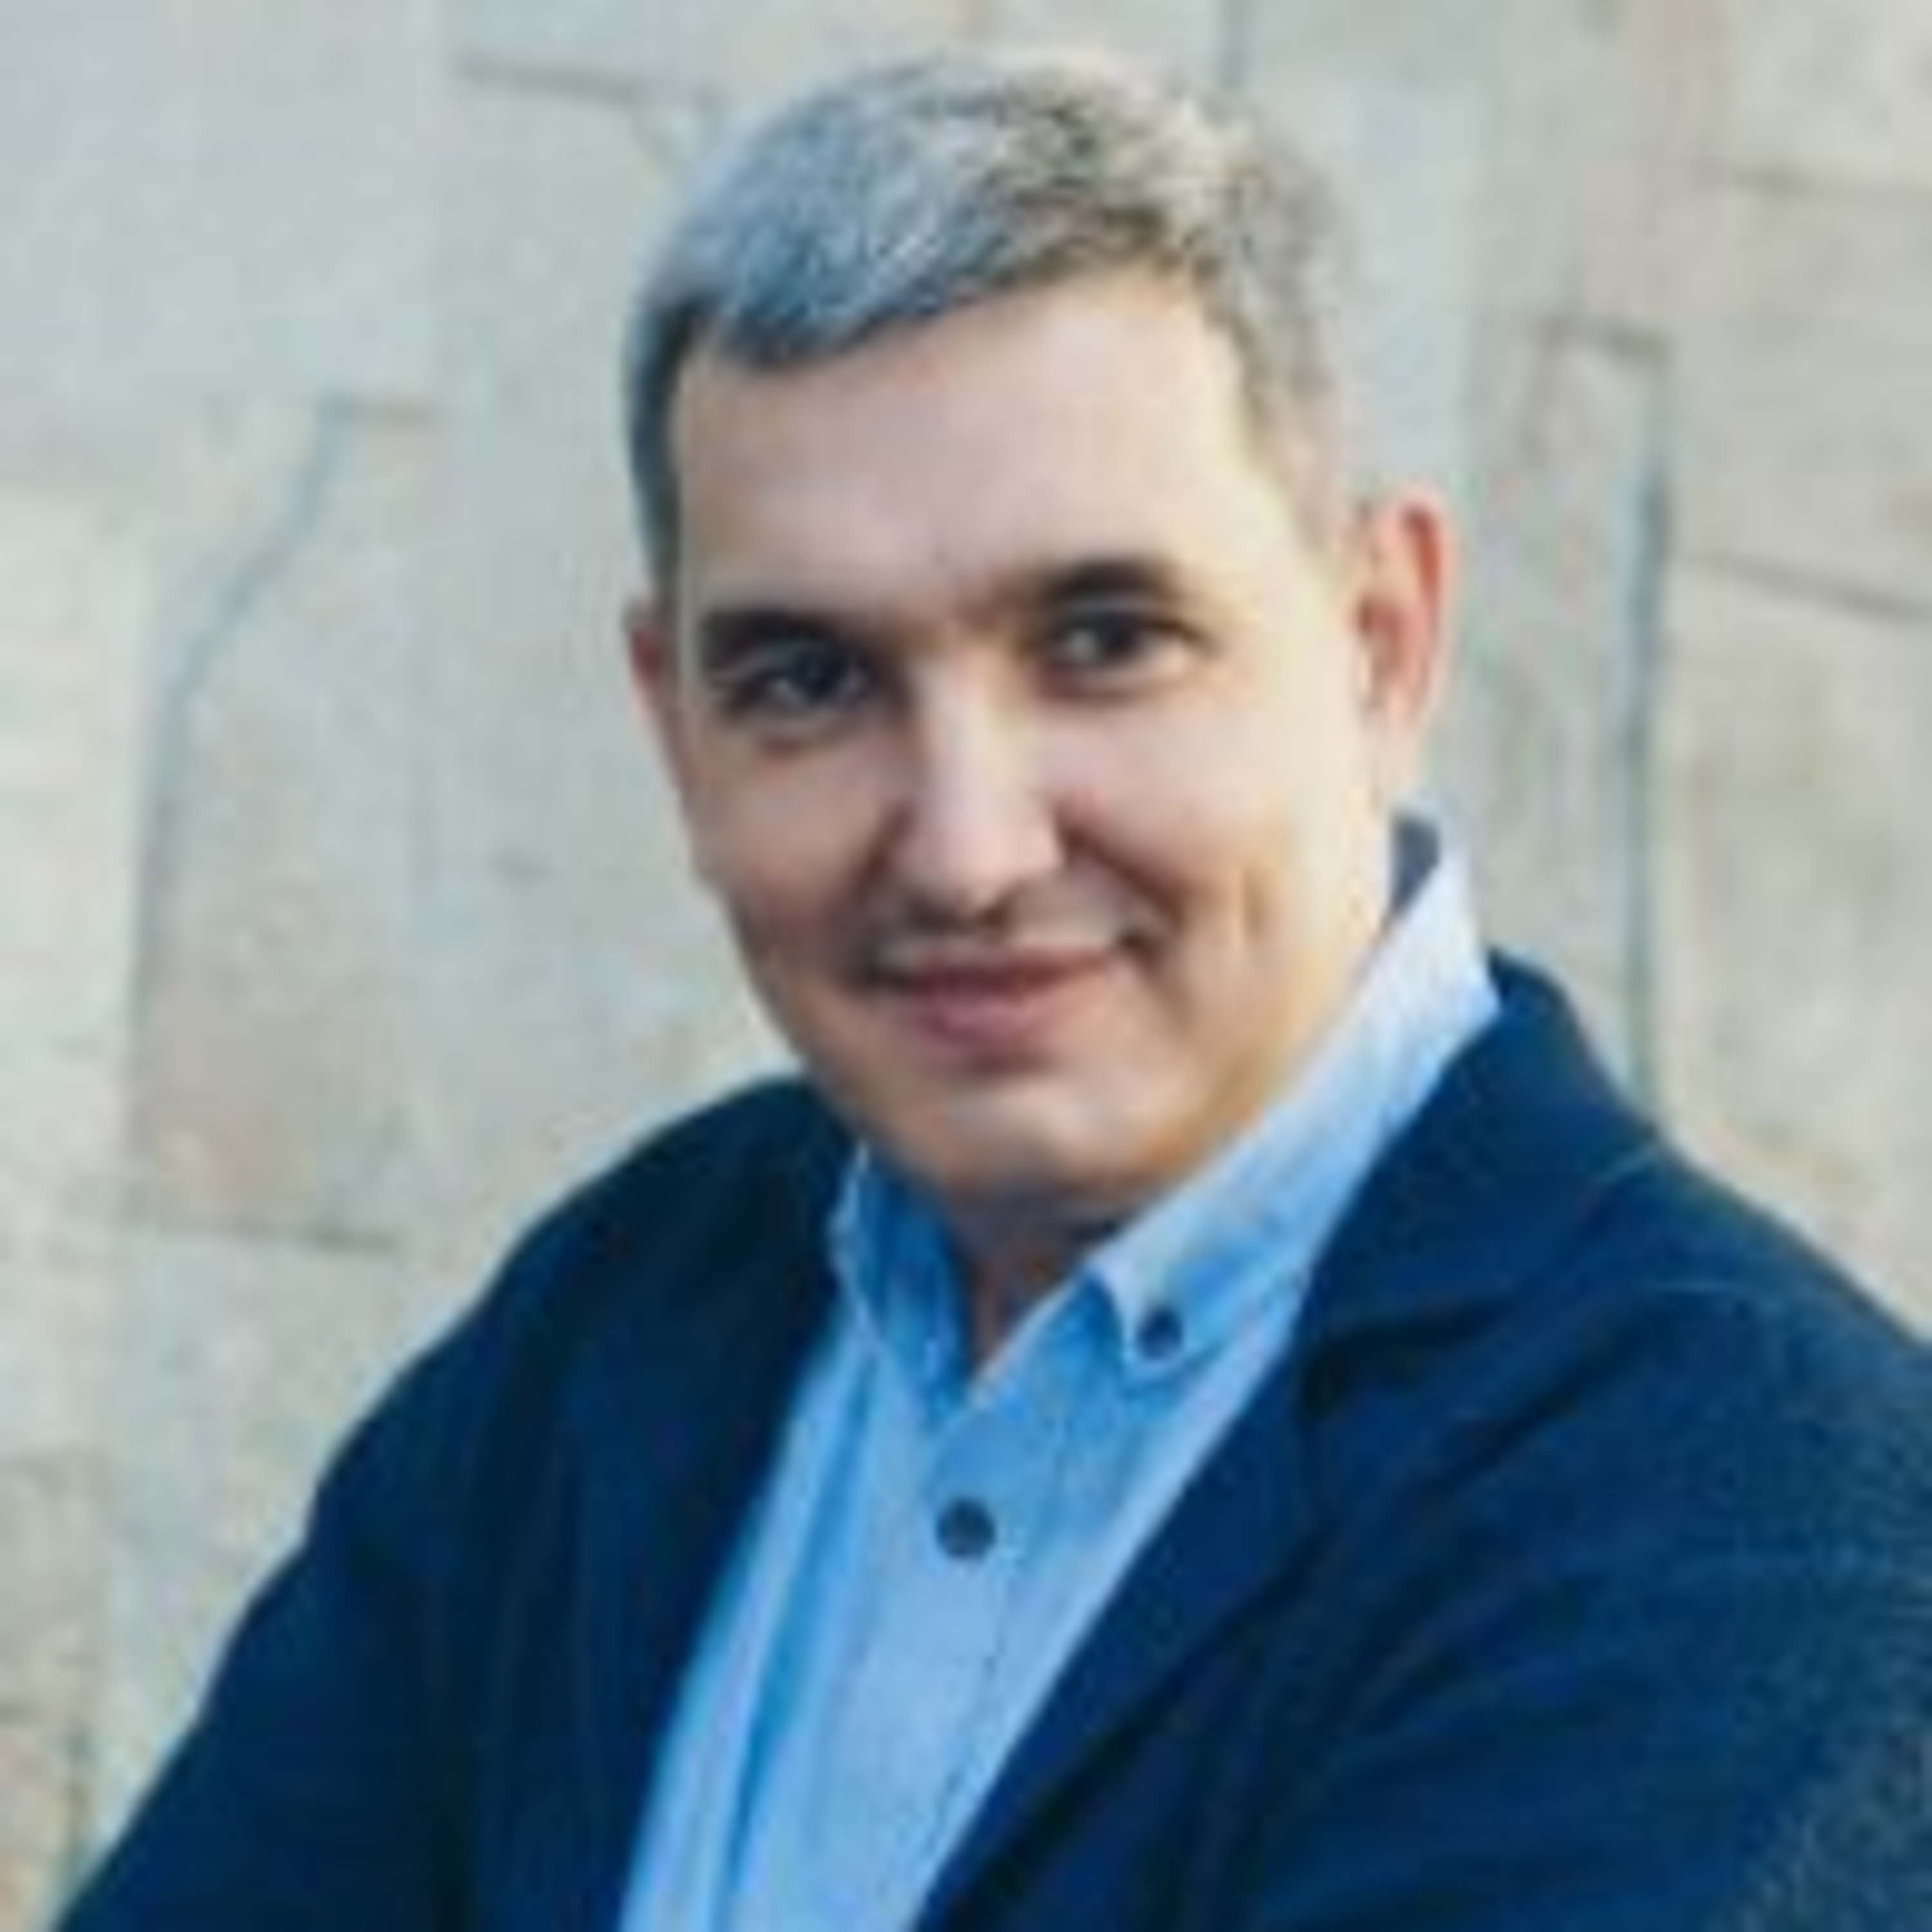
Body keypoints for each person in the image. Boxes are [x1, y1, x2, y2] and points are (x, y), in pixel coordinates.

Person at [59, 46, 1928, 1932]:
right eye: (808, 679)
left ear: (1382, 644)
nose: (966, 850)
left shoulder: (1759, 1510)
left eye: (1105, 641)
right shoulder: (622, 1314)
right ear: (675, 725)